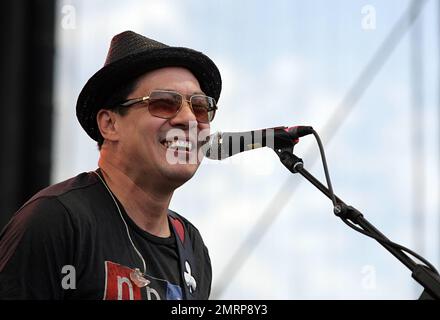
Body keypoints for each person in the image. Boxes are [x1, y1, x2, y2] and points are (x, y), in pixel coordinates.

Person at [0, 31, 222, 300]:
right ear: (110, 124)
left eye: (200, 107)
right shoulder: (57, 221)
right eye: (164, 103)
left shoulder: (193, 248)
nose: (189, 119)